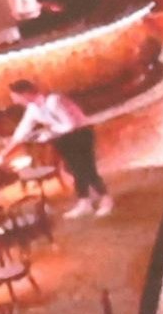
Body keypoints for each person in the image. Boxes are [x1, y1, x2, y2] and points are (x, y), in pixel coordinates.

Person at [8, 78, 109, 216]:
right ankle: (84, 202)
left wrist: (48, 133)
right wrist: (5, 152)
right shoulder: (32, 109)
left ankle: (106, 199)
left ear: (25, 93)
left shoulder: (54, 101)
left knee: (86, 168)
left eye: (15, 97)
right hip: (62, 138)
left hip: (81, 133)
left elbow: (70, 124)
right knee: (73, 169)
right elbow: (22, 130)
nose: (14, 101)